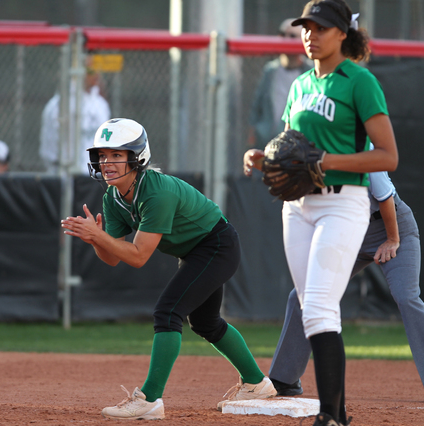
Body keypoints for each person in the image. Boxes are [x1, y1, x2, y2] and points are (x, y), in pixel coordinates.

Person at [243, 0, 399, 425]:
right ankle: (338, 413)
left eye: (320, 27)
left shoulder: (359, 82)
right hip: (296, 208)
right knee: (314, 308)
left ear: (342, 34)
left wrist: (328, 161)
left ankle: (329, 415)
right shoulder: (298, 85)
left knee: (317, 307)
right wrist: (266, 157)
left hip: (342, 202)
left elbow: (388, 156)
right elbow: (293, 147)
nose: (310, 34)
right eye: (305, 27)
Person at [61, 118, 276, 420]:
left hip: (216, 245)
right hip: (197, 251)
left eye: (117, 155)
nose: (106, 162)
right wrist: (97, 240)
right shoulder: (112, 197)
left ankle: (149, 399)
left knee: (168, 312)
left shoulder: (155, 191)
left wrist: (99, 236)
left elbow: (137, 257)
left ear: (137, 158)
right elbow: (112, 258)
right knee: (205, 322)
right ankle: (257, 383)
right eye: (103, 155)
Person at [268, 165, 424, 405]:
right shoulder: (314, 159)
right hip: (348, 231)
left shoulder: (363, 153)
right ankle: (285, 378)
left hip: (391, 227)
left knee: (406, 296)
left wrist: (392, 239)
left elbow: (385, 197)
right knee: (302, 295)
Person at [39, 56, 111, 174]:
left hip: (94, 176)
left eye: (98, 69)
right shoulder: (60, 105)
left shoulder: (100, 104)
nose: (96, 75)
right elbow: (50, 145)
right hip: (64, 174)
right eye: (91, 71)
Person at [247, 19, 310, 149]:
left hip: (297, 143)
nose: (285, 39)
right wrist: (255, 130)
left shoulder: (311, 71)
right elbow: (257, 103)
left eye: (292, 36)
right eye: (282, 34)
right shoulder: (271, 70)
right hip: (267, 138)